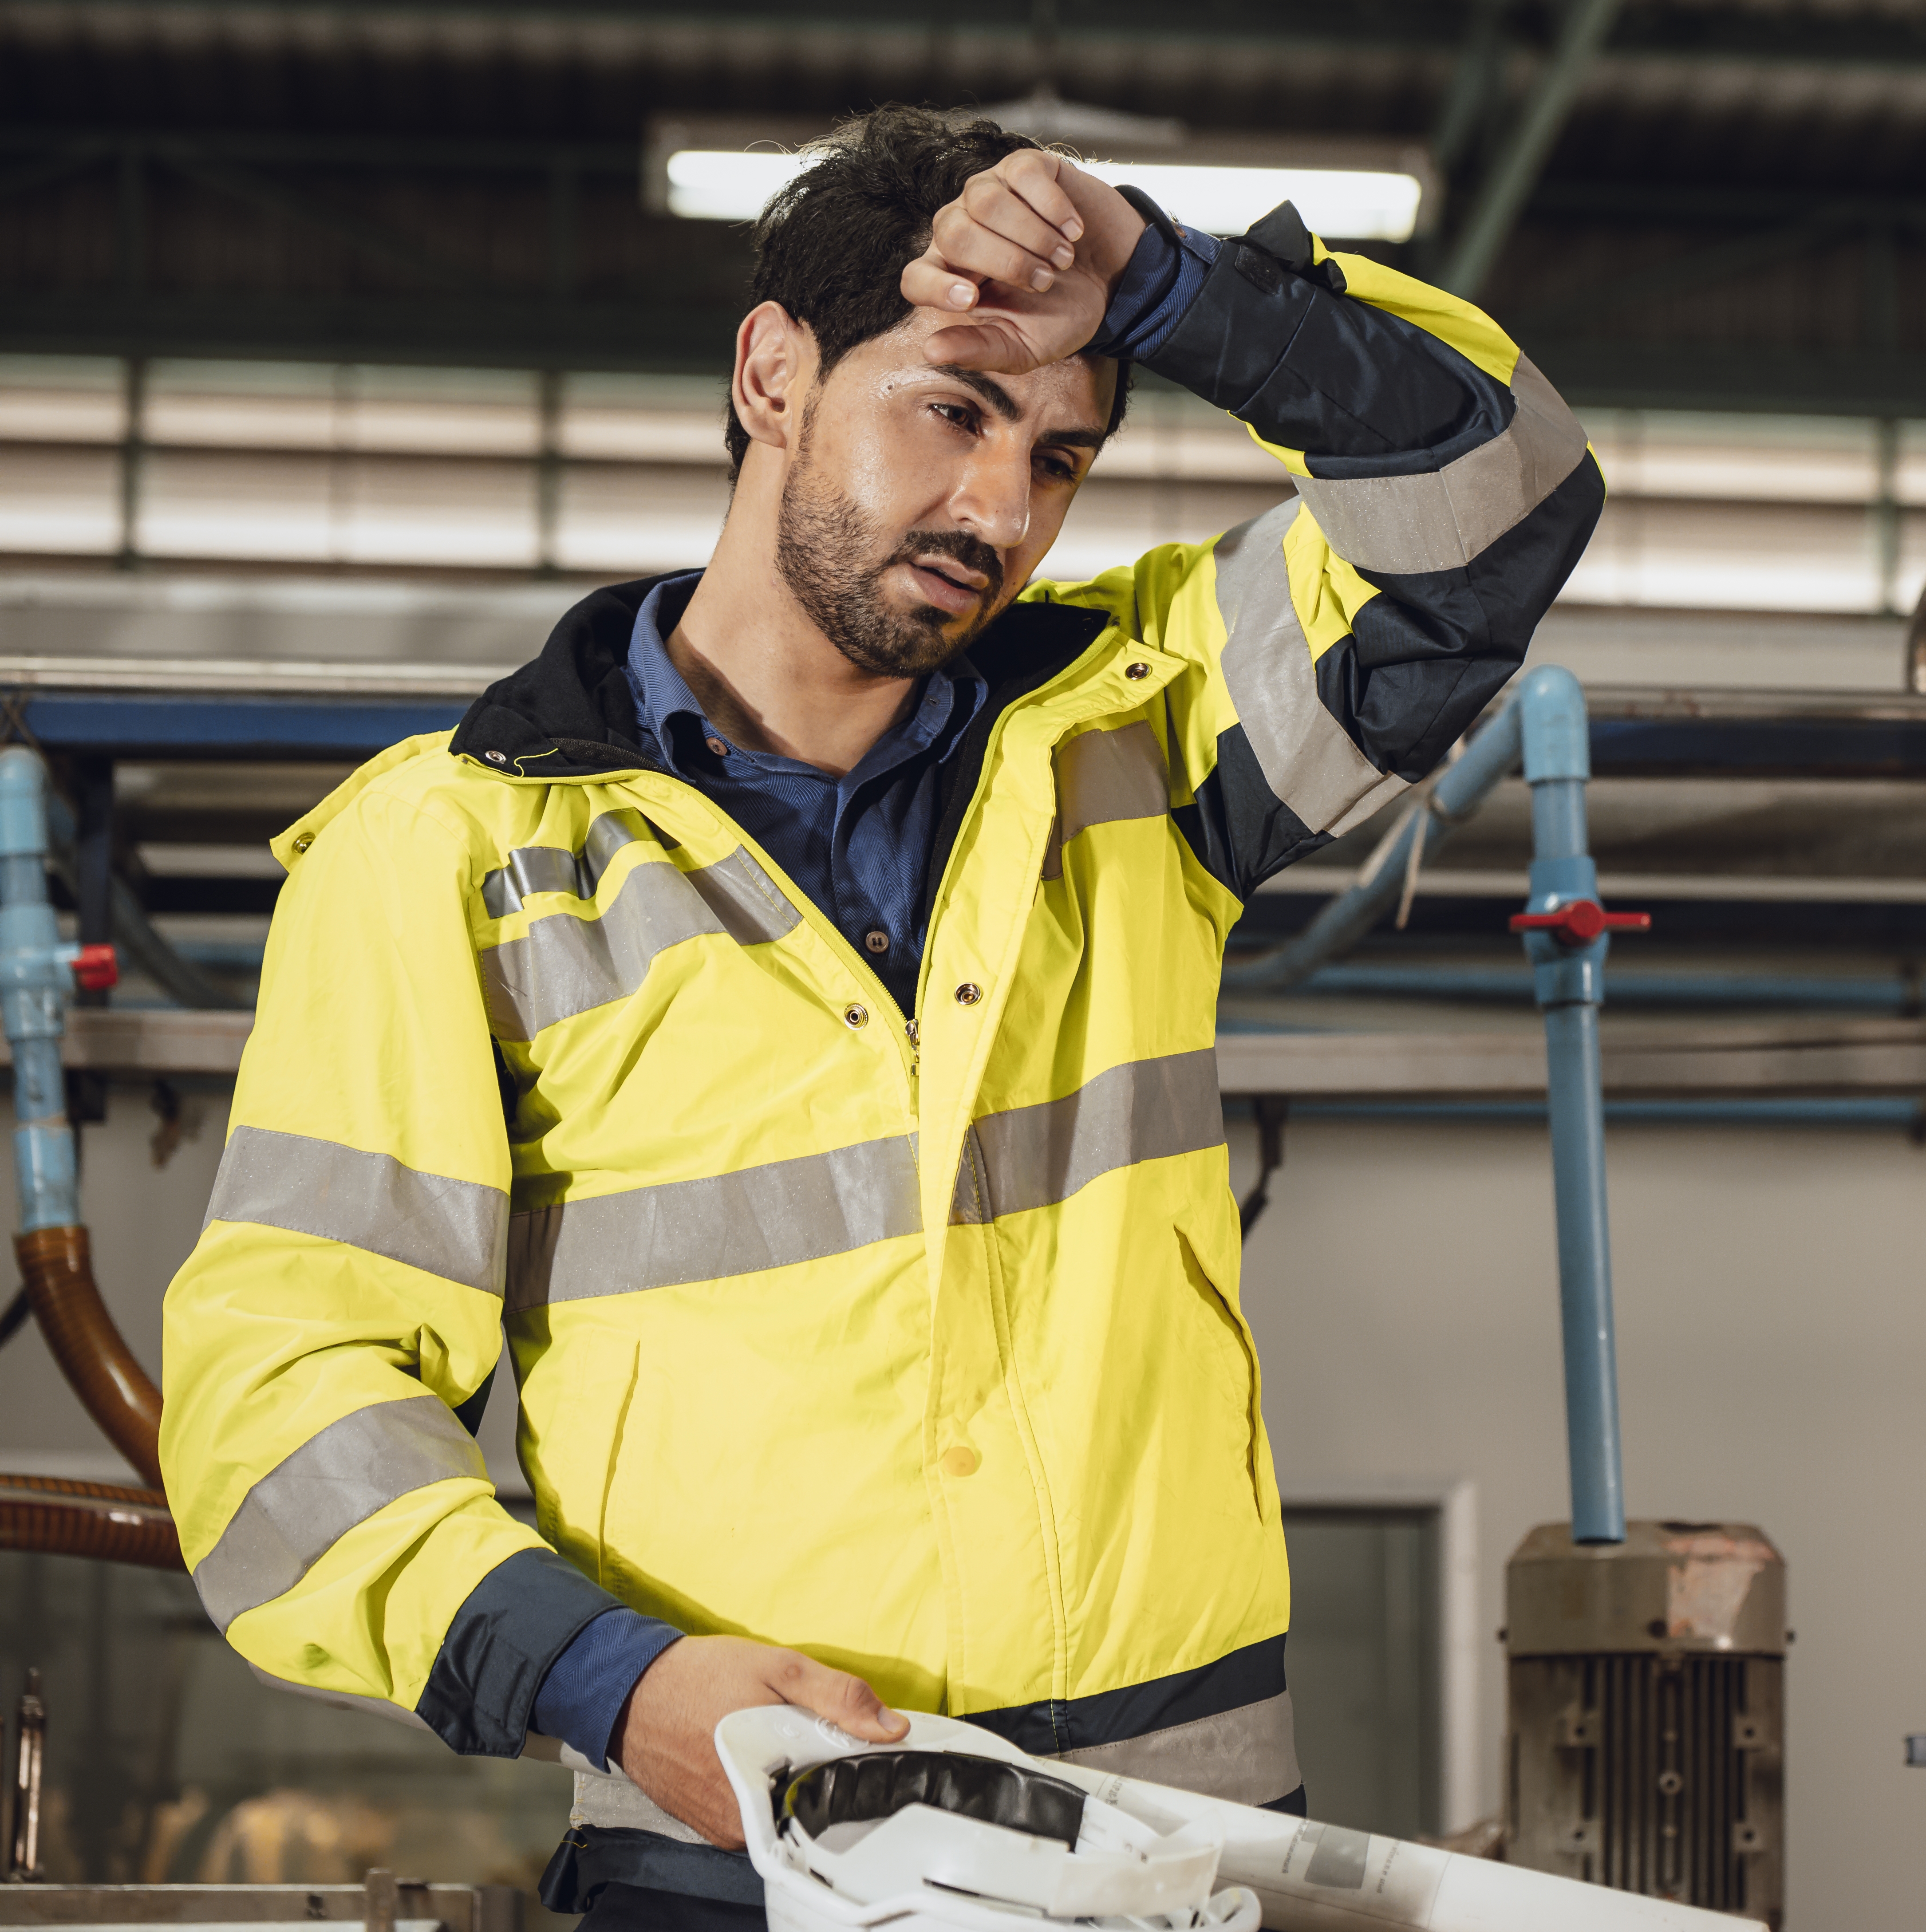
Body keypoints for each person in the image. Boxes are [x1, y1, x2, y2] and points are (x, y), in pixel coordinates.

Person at [158, 106, 1602, 1931]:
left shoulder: (1143, 732)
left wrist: (1166, 278)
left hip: (1174, 1859)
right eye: (954, 410)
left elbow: (1509, 497)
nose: (1002, 512)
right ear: (774, 372)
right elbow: (286, 1395)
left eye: (1062, 455)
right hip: (735, 1858)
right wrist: (611, 1681)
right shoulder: (453, 855)